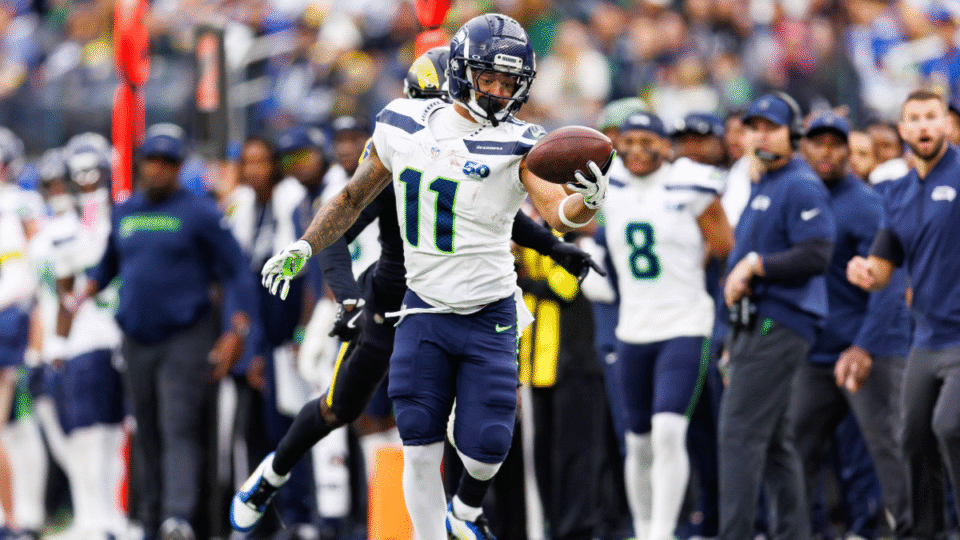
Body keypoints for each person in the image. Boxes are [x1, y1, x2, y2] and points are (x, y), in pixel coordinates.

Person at [254, 14, 610, 540]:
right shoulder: (402, 122)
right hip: (421, 307)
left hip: (489, 310)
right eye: (488, 78)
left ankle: (465, 510)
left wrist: (586, 204)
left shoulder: (522, 142)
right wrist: (305, 246)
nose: (497, 91)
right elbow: (353, 197)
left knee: (488, 446)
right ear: (463, 73)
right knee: (418, 444)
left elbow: (557, 213)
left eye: (509, 82)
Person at [87, 124, 256, 540]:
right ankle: (150, 520)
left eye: (169, 163)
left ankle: (178, 517)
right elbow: (107, 266)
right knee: (145, 430)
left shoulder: (199, 212)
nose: (159, 170)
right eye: (152, 161)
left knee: (177, 425)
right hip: (137, 336)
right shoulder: (125, 211)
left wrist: (236, 328)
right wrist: (79, 290)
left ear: (179, 168)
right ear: (141, 164)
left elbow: (237, 271)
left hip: (186, 333)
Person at [603, 111, 733, 540]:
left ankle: (661, 533)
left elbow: (723, 245)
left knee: (668, 430)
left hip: (684, 321)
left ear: (666, 145)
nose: (638, 150)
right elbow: (569, 219)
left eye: (648, 141)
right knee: (638, 440)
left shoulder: (691, 181)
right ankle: (643, 529)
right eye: (630, 140)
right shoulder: (608, 181)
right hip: (633, 325)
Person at [719, 92, 836, 540]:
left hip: (780, 318)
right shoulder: (764, 181)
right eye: (754, 127)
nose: (761, 135)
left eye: (771, 127)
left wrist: (756, 265)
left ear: (794, 133)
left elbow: (818, 252)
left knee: (738, 434)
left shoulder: (799, 183)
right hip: (760, 322)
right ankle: (792, 533)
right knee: (773, 442)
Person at [791, 112, 911, 538]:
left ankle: (905, 531)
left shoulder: (864, 204)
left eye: (836, 143)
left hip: (868, 347)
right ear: (802, 148)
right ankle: (807, 531)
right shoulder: (798, 194)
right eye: (817, 142)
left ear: (849, 150)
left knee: (886, 448)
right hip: (817, 347)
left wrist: (863, 347)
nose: (827, 151)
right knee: (796, 446)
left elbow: (889, 283)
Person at [848, 88, 960, 539]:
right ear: (901, 130)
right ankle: (925, 533)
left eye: (931, 117)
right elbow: (882, 268)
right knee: (911, 438)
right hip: (925, 339)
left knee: (950, 426)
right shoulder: (895, 191)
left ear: (947, 125)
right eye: (913, 119)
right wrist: (864, 272)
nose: (923, 126)